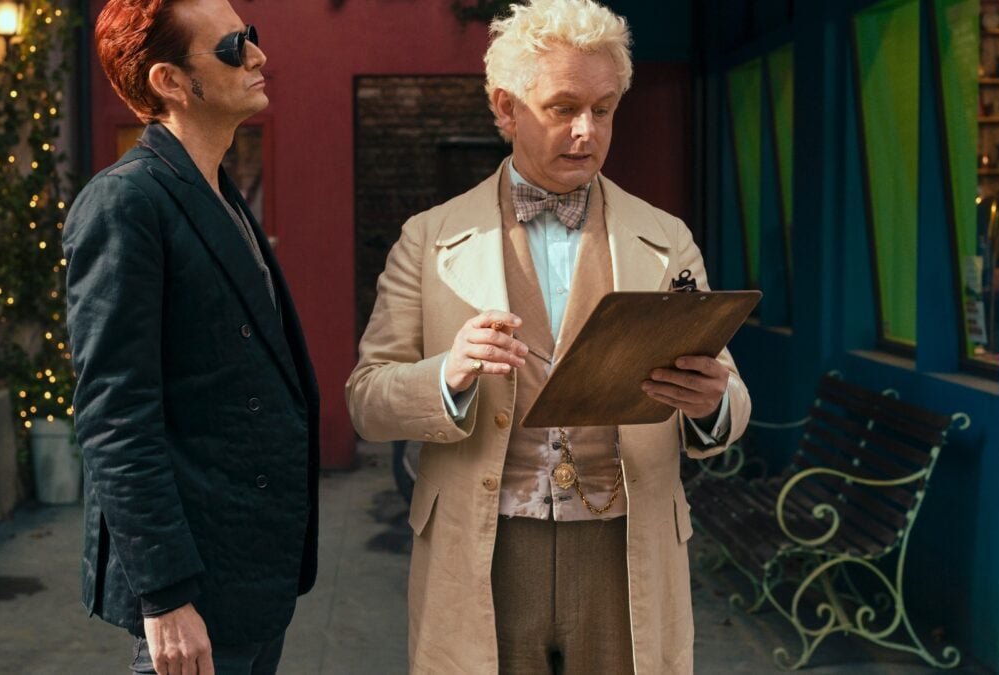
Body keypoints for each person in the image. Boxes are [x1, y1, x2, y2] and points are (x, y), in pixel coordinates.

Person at [345, 0, 750, 672]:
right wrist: (447, 374)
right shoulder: (428, 238)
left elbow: (730, 392)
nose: (587, 131)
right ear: (506, 109)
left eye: (604, 109)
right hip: (485, 547)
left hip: (626, 545)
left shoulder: (666, 237)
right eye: (563, 108)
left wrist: (711, 403)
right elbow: (367, 398)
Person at [63, 1, 319, 673]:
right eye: (233, 47)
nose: (258, 55)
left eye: (251, 37)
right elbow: (115, 417)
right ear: (170, 82)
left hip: (250, 573)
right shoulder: (124, 203)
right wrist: (166, 594)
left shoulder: (216, 191)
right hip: (195, 591)